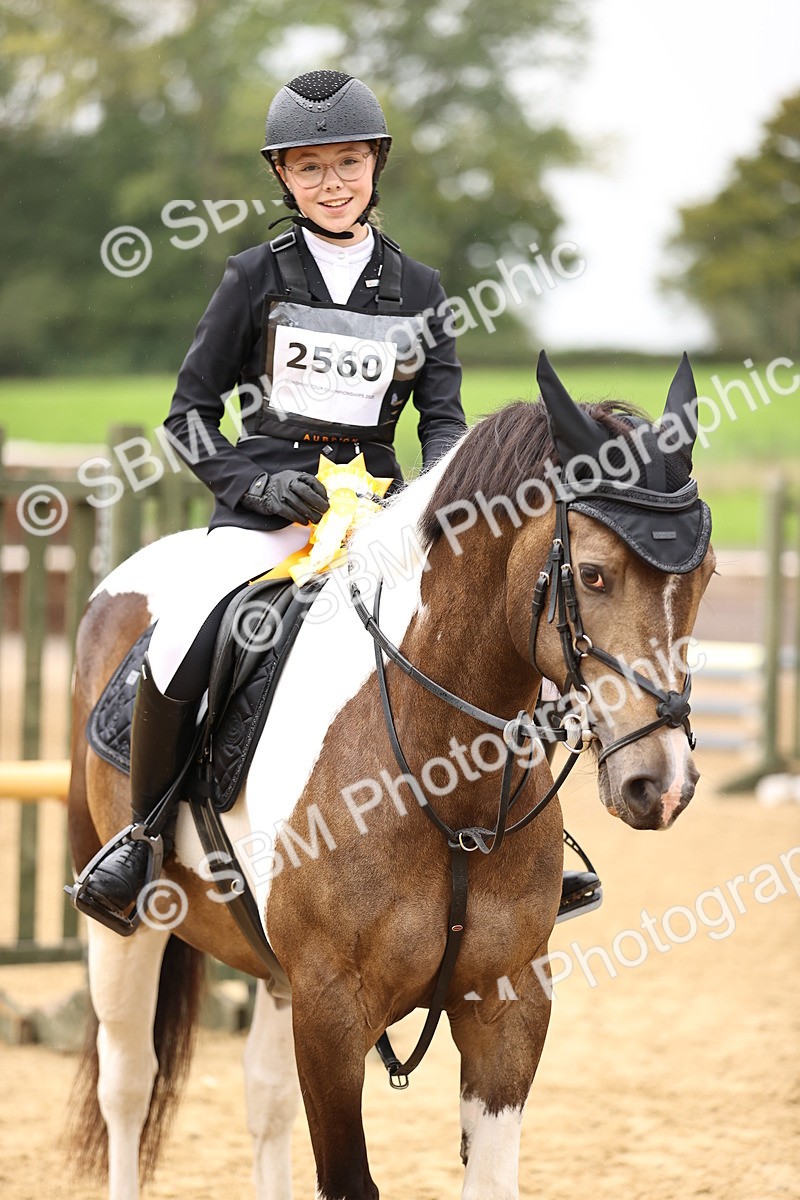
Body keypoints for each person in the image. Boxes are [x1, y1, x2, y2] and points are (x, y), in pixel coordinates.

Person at [76, 69, 598, 928]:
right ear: (283, 175)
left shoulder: (421, 290)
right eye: (310, 167)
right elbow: (189, 415)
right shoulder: (252, 276)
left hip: (381, 517)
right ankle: (144, 835)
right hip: (266, 514)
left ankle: (536, 843)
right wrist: (254, 484)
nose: (332, 183)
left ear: (375, 165)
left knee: (491, 621)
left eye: (348, 163)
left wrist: (429, 499)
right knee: (180, 639)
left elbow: (442, 420)